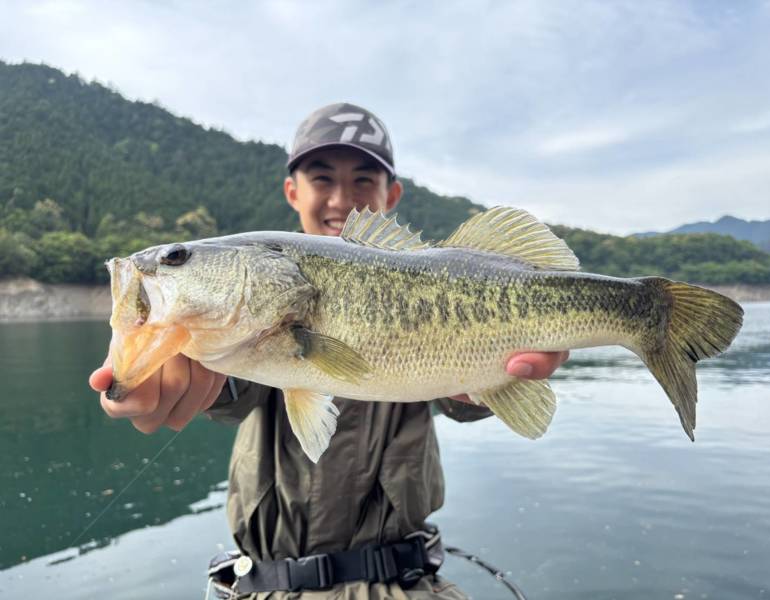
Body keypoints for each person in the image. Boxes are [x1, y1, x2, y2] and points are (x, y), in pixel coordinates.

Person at [89, 102, 568, 599]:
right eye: (322, 179)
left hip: (406, 585)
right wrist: (173, 373)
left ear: (391, 195)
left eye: (363, 180)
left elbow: (460, 400)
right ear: (292, 192)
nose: (341, 199)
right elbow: (232, 391)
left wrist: (496, 381)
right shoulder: (251, 320)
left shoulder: (425, 275)